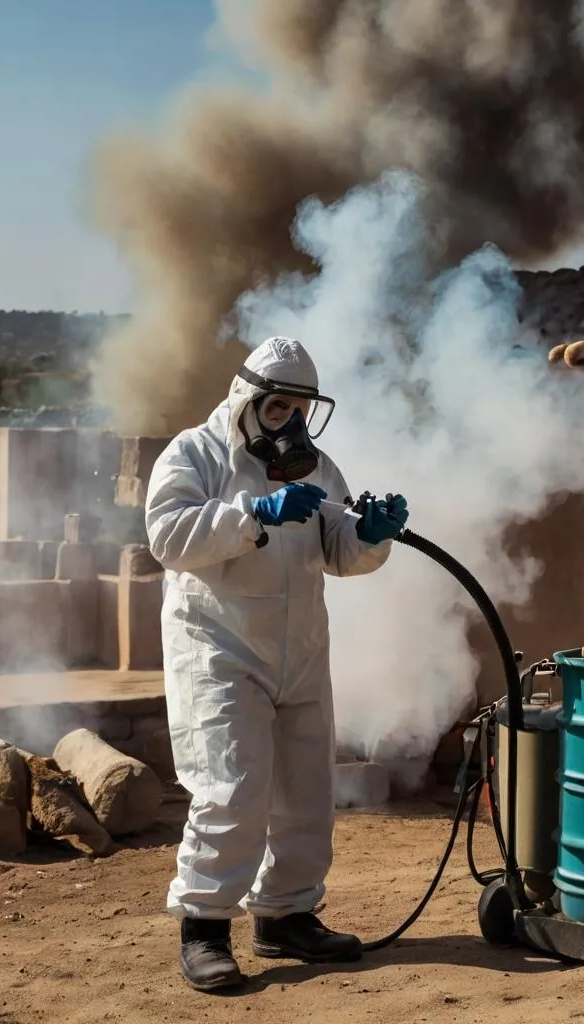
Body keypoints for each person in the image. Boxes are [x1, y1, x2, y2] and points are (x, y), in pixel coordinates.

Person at [144, 335, 408, 992]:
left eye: (298, 410)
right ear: (247, 402)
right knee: (231, 787)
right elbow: (167, 536)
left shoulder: (316, 471)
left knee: (304, 791)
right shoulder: (195, 454)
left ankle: (286, 916)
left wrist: (372, 536)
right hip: (220, 645)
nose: (288, 423)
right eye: (277, 408)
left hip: (301, 651)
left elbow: (340, 548)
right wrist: (251, 513)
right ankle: (204, 927)